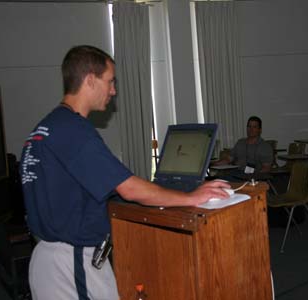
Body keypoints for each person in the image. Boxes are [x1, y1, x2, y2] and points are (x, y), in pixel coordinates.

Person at [19, 45, 230, 300]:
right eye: (110, 81)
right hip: (72, 261)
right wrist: (191, 197)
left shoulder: (46, 128)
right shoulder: (73, 130)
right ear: (89, 80)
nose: (113, 90)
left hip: (51, 257)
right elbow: (128, 188)